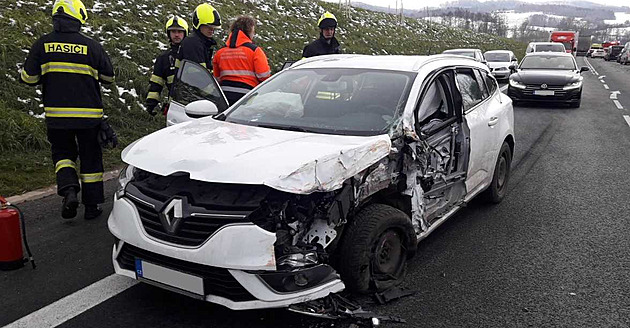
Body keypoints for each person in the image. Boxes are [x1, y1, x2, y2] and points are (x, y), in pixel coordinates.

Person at [19, 0, 115, 220]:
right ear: (79, 17)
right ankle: (92, 207)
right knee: (90, 159)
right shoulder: (91, 46)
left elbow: (28, 78)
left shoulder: (42, 44)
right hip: (89, 117)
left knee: (63, 155)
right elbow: (109, 77)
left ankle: (69, 190)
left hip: (57, 116)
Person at [212, 15, 271, 104]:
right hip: (247, 97)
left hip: (224, 96)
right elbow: (264, 76)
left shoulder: (220, 52)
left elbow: (217, 78)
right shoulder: (255, 51)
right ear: (250, 31)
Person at [145, 15, 188, 116]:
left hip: (195, 103)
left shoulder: (191, 54)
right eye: (173, 31)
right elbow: (156, 84)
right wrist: (151, 104)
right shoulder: (163, 58)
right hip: (175, 105)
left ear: (185, 33)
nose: (176, 35)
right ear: (169, 34)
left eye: (180, 32)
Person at [176, 3, 221, 71]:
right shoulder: (192, 43)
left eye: (213, 27)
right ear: (198, 24)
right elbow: (198, 74)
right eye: (208, 26)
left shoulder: (203, 43)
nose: (212, 29)